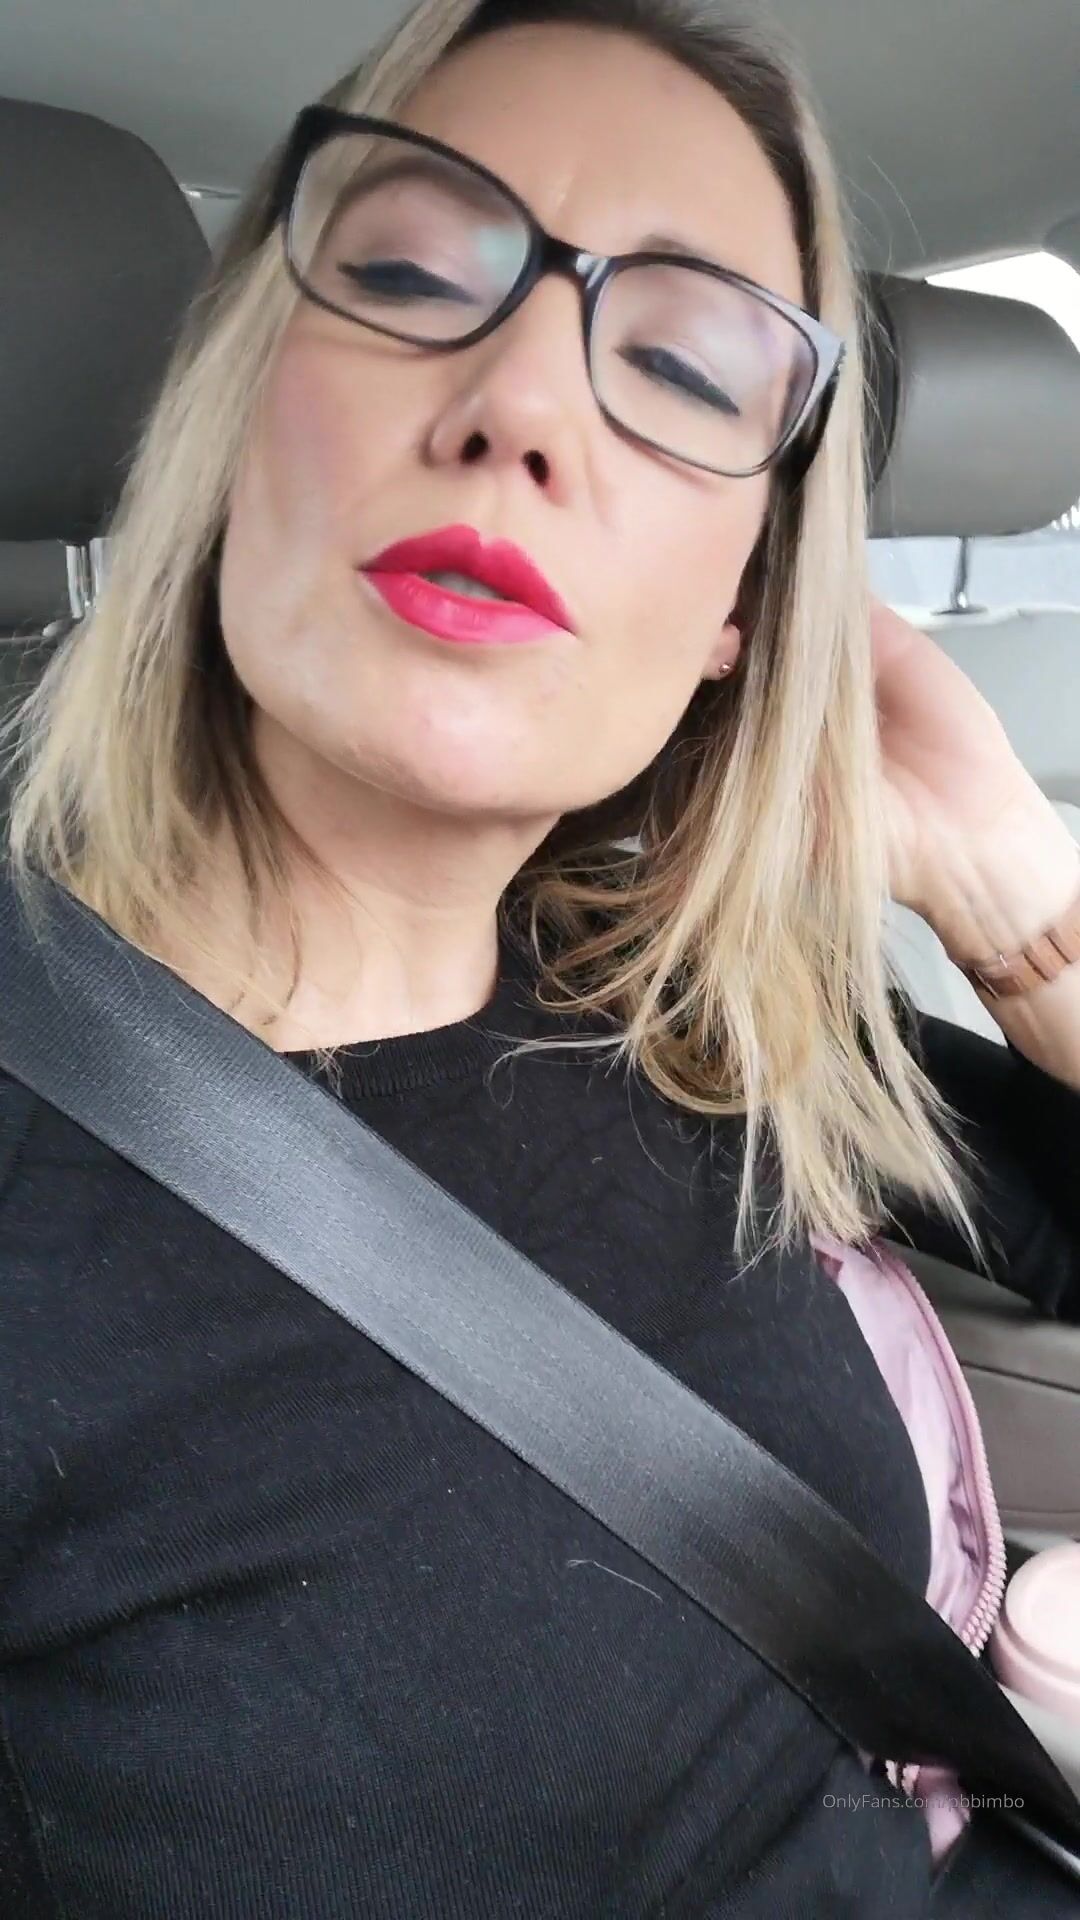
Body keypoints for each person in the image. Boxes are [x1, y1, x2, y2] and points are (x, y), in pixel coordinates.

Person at [1, 0, 1079, 1913]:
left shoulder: (704, 1001)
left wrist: (1015, 918)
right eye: (410, 275)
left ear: (743, 602)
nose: (518, 407)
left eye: (679, 365)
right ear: (237, 417)